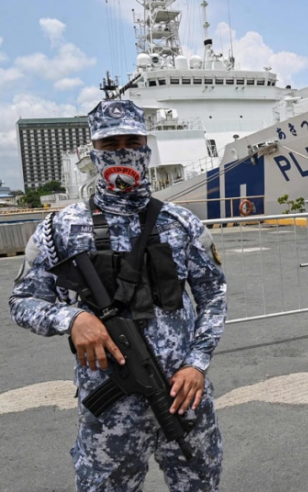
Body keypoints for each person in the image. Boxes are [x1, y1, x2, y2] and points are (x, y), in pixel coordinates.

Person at [9, 100, 227, 491]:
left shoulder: (182, 223)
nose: (123, 151)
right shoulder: (60, 228)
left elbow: (213, 297)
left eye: (132, 141)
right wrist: (72, 319)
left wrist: (197, 364)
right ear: (94, 151)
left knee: (200, 482)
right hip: (111, 408)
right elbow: (23, 301)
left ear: (147, 147)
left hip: (182, 396)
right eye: (110, 144)